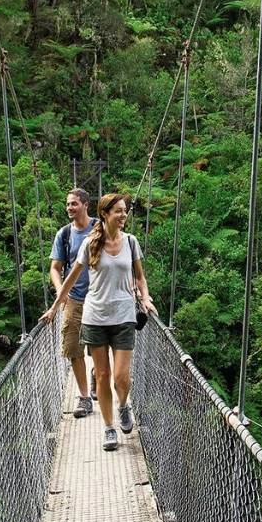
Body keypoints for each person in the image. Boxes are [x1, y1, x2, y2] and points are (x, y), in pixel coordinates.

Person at [42, 193, 157, 451]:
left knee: (121, 377)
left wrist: (146, 298)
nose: (124, 215)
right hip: (95, 318)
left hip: (124, 317)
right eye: (118, 211)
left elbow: (140, 277)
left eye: (125, 210)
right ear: (105, 214)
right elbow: (70, 279)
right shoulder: (90, 244)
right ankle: (108, 427)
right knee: (103, 375)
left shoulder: (131, 242)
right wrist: (54, 308)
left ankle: (123, 405)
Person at [49, 188, 98, 418]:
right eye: (67, 204)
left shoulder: (100, 228)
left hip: (100, 298)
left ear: (85, 204)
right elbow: (55, 268)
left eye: (74, 204)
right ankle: (85, 398)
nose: (69, 208)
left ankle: (97, 373)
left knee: (101, 346)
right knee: (73, 347)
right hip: (74, 299)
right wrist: (61, 291)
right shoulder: (64, 234)